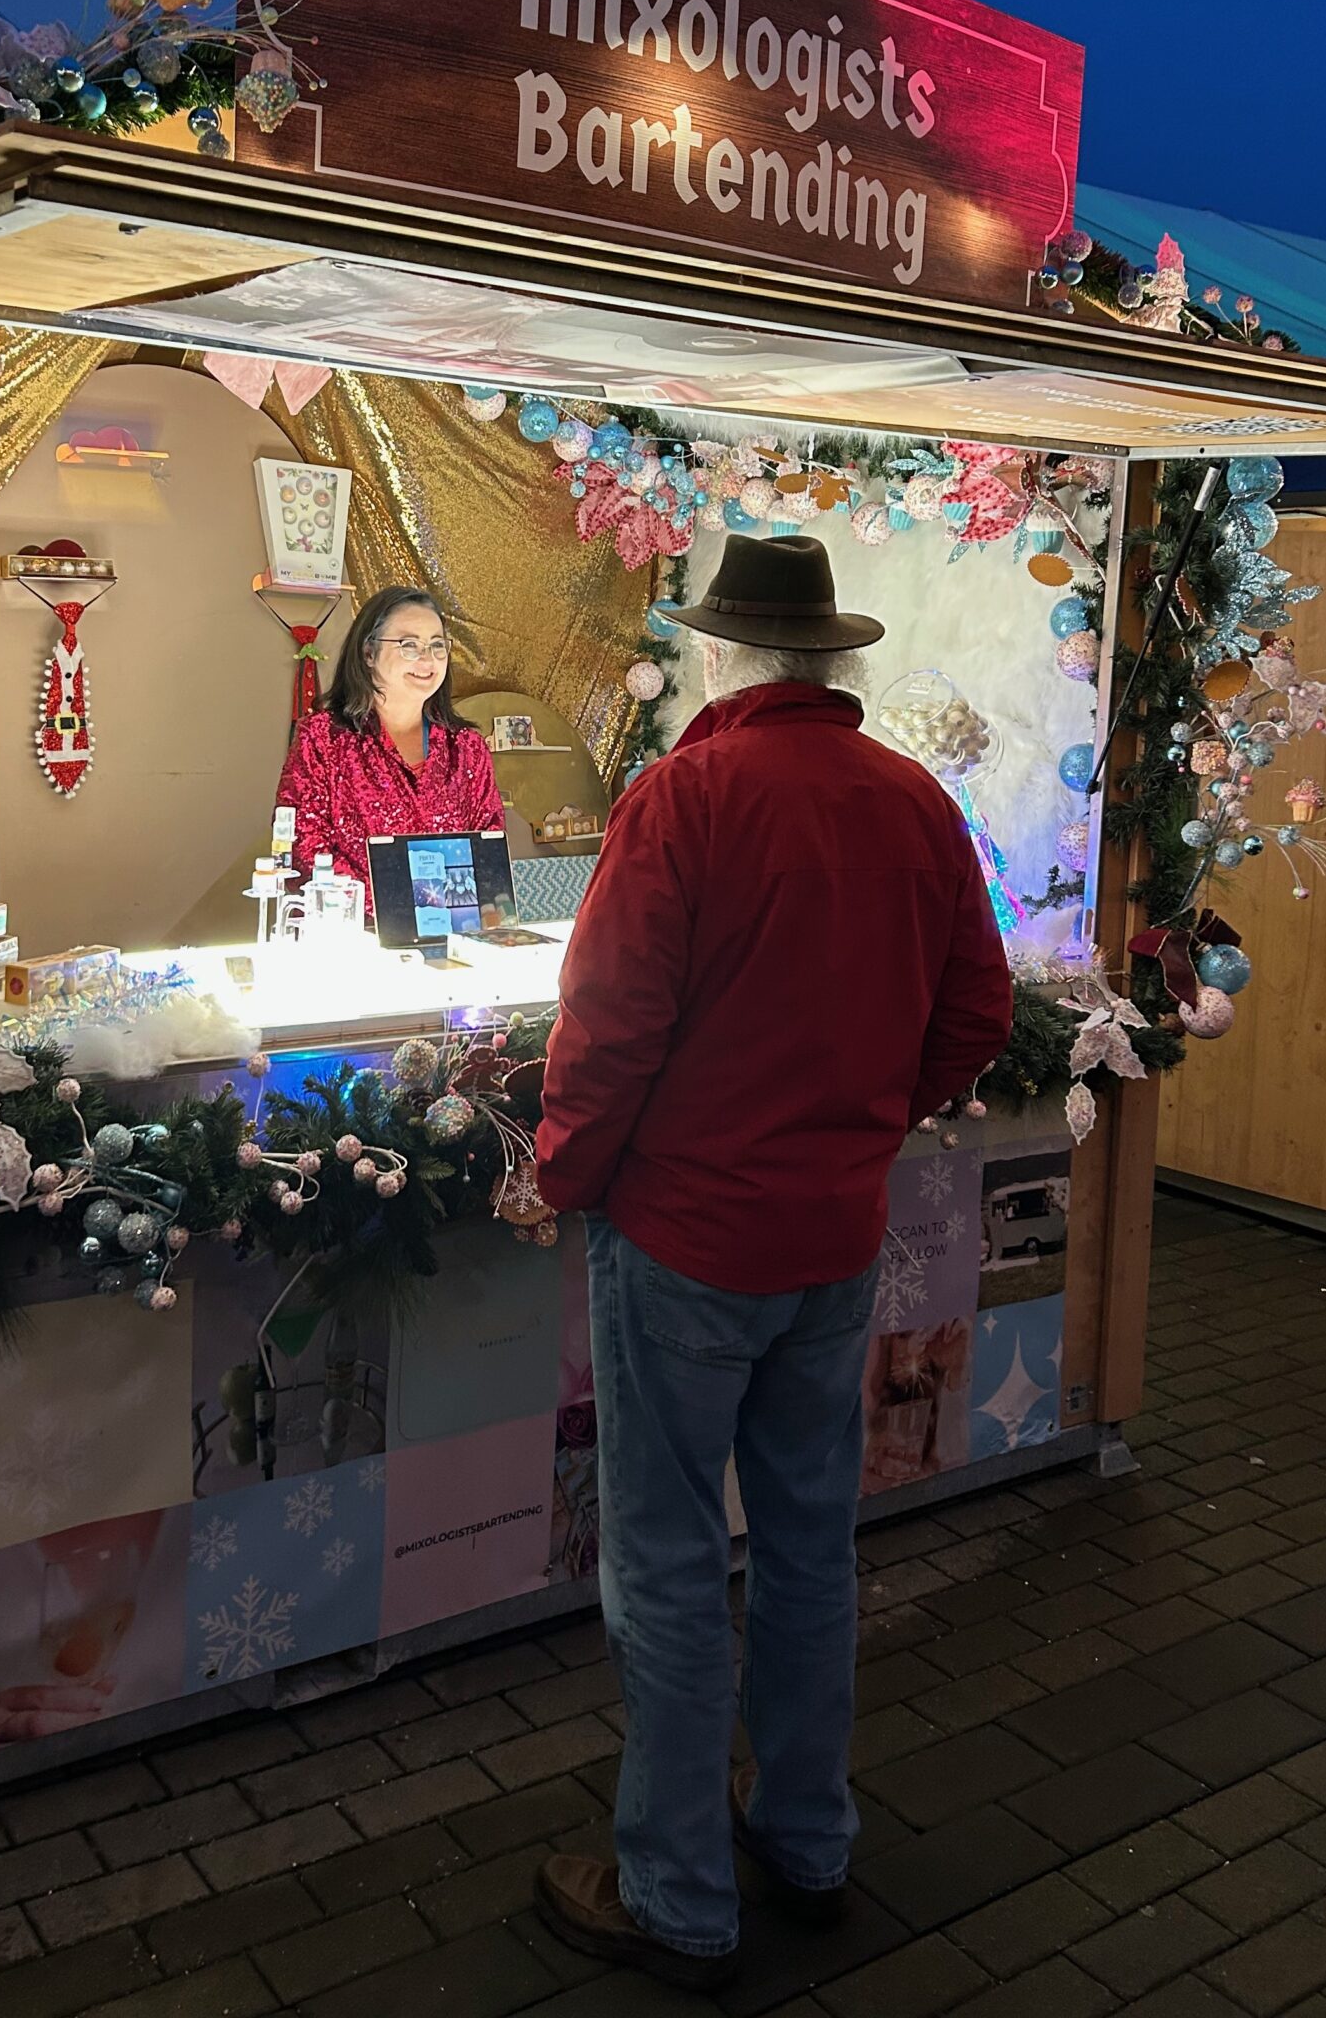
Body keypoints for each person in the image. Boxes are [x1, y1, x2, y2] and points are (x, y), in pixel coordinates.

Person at [530, 532, 1015, 1990]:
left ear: (725, 658)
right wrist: (870, 1114)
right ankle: (806, 1838)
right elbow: (976, 1011)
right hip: (832, 1233)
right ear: (827, 658)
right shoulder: (916, 799)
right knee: (812, 1547)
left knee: (669, 1568)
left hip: (684, 1237)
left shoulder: (685, 795)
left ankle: (677, 1895)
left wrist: (565, 1175)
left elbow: (608, 1025)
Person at [273, 586, 504, 914]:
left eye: (437, 645)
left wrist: (439, 912)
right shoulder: (322, 739)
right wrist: (404, 908)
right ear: (369, 653)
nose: (428, 659)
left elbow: (488, 854)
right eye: (409, 645)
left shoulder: (468, 748)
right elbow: (304, 855)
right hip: (351, 938)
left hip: (455, 939)